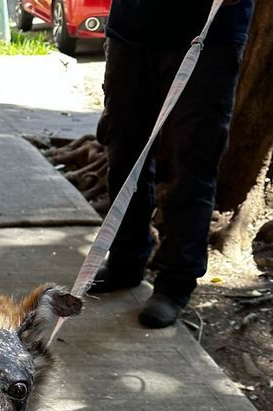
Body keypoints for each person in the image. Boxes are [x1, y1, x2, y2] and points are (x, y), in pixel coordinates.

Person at [90, 0, 255, 327]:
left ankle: (175, 282)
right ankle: (126, 259)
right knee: (123, 151)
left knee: (192, 162)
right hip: (131, 30)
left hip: (208, 36)